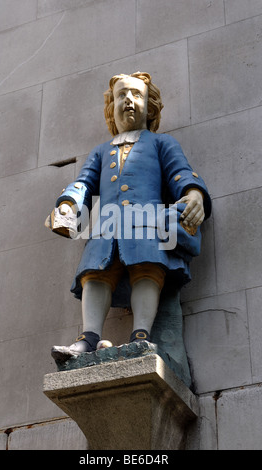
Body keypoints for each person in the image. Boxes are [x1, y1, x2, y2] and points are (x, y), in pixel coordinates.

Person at [49, 72, 211, 360]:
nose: (129, 100)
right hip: (106, 223)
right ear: (111, 106)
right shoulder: (100, 151)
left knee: (147, 271)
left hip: (147, 220)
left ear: (149, 106)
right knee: (95, 274)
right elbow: (84, 183)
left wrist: (194, 194)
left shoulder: (162, 143)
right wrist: (68, 204)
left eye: (137, 94)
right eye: (122, 95)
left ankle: (141, 336)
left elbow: (181, 174)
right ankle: (88, 338)